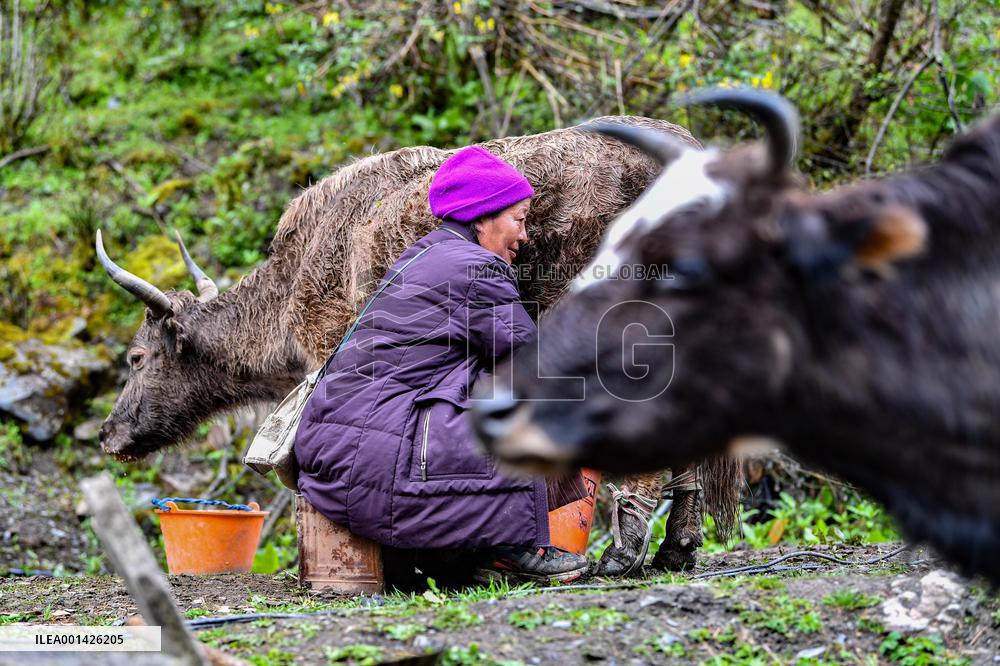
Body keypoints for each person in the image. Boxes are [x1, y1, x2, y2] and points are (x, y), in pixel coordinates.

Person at [294, 146, 590, 583]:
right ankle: (511, 547)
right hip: (369, 452)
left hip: (336, 446)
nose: (524, 235)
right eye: (519, 219)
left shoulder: (426, 254)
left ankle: (458, 558)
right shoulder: (477, 268)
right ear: (482, 216)